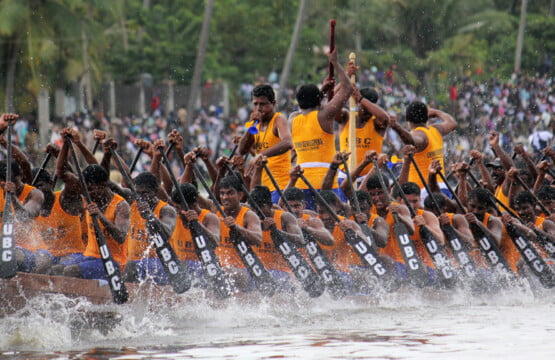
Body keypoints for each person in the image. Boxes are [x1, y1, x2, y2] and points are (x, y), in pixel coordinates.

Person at [290, 48, 354, 210]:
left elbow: (309, 106)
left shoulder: (292, 119)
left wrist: (322, 92)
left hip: (301, 182)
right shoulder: (324, 116)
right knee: (330, 225)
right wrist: (335, 63)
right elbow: (348, 88)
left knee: (308, 225)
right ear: (319, 101)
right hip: (326, 182)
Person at [62, 164, 130, 280]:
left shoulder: (121, 206)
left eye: (91, 189)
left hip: (113, 261)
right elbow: (63, 174)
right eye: (86, 191)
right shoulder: (88, 200)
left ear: (103, 185)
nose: (89, 194)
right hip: (90, 256)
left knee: (70, 271)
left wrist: (100, 216)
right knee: (56, 268)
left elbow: (121, 237)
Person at [389, 101, 457, 197]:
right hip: (442, 188)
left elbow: (411, 140)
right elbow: (452, 122)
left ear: (407, 118)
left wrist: (397, 128)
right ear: (427, 117)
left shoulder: (418, 134)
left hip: (423, 192)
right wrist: (436, 112)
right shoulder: (436, 129)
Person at [238, 84, 292, 203]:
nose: (258, 108)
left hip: (279, 186)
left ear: (273, 104)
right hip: (261, 187)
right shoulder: (254, 125)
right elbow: (241, 150)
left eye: (263, 104)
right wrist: (251, 126)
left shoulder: (279, 119)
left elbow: (288, 143)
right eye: (255, 104)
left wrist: (260, 155)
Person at [337, 66, 389, 182]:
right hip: (344, 176)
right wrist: (345, 78)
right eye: (363, 108)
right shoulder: (346, 117)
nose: (367, 112)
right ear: (355, 103)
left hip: (369, 179)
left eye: (369, 108)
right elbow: (332, 104)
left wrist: (361, 99)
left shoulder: (376, 123)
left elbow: (386, 119)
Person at [123, 172, 177, 285]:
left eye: (145, 193)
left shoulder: (166, 210)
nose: (141, 198)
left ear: (156, 192)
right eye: (138, 193)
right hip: (133, 261)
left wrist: (150, 216)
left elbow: (167, 233)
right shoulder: (132, 201)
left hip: (159, 261)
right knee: (127, 267)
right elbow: (109, 185)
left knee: (130, 267)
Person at [250, 185, 304, 290]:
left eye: (260, 207)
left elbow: (300, 240)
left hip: (283, 271)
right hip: (257, 270)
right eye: (253, 208)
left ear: (270, 205)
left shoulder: (285, 217)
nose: (256, 212)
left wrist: (277, 232)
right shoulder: (249, 217)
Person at [215, 175, 263, 292]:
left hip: (245, 270)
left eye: (230, 193)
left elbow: (258, 239)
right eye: (222, 193)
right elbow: (186, 196)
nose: (225, 197)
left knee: (226, 273)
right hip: (220, 269)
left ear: (240, 195)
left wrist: (236, 227)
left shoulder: (249, 215)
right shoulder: (215, 211)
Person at [169, 182, 221, 287]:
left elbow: (215, 242)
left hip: (204, 267)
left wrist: (197, 224)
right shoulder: (174, 216)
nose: (177, 211)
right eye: (175, 207)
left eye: (179, 208)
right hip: (180, 267)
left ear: (193, 205)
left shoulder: (209, 218)